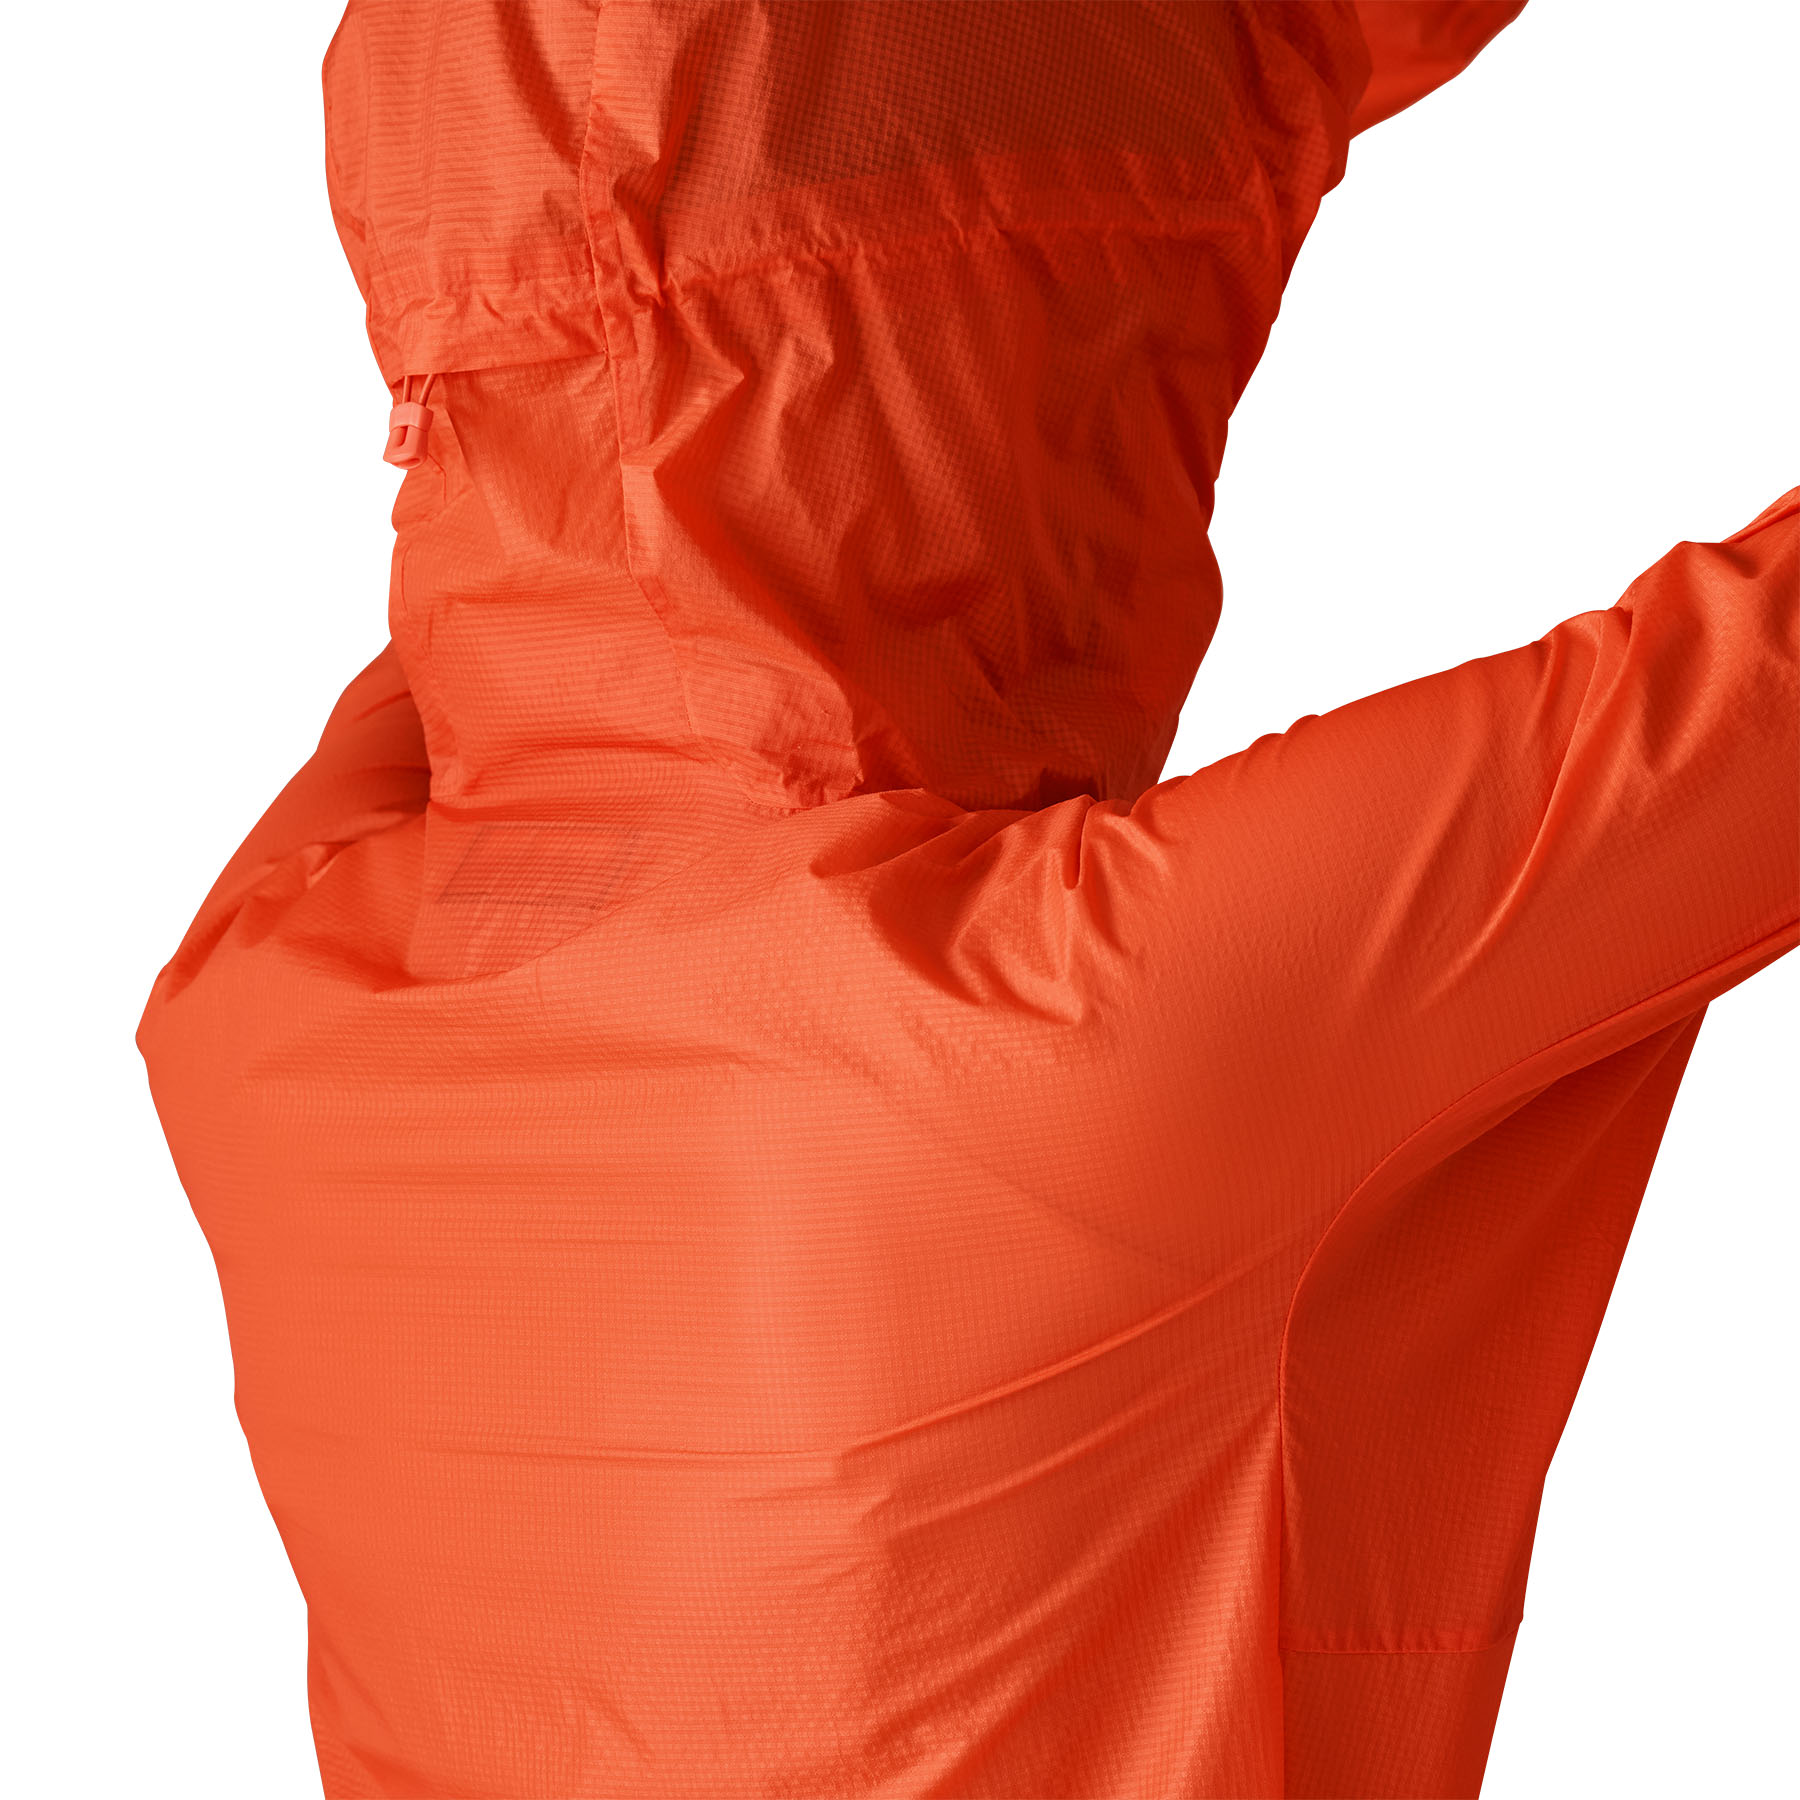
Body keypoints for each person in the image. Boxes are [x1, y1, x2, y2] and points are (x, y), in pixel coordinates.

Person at [138, 4, 1796, 1794]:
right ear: (1020, 367)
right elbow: (1744, 715)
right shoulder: (1074, 1036)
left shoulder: (257, 1013)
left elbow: (567, 504)